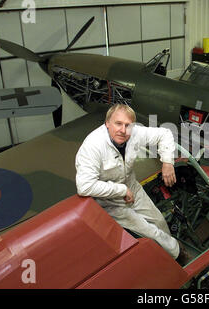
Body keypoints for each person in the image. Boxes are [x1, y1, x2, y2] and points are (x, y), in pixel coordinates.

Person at [75, 104, 190, 264]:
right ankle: (177, 255)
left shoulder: (134, 133)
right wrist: (120, 190)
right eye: (118, 123)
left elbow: (165, 134)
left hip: (133, 187)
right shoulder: (93, 146)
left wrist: (167, 162)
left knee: (159, 222)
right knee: (151, 233)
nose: (123, 130)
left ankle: (167, 253)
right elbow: (85, 186)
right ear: (107, 123)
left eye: (127, 125)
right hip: (110, 202)